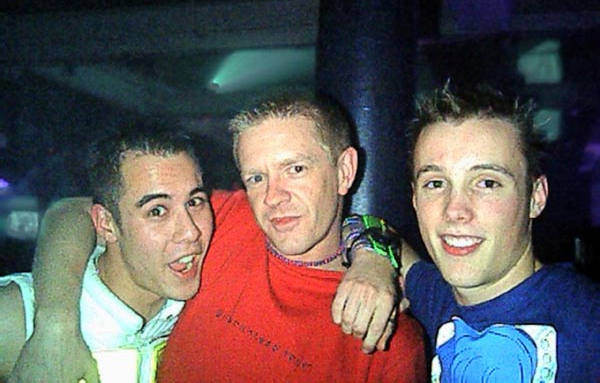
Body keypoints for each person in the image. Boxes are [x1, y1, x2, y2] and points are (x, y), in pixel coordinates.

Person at [5, 97, 426, 382]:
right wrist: (54, 324)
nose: (274, 197)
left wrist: (374, 256)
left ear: (344, 171)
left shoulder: (389, 339)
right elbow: (76, 211)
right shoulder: (222, 220)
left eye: (295, 169)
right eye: (256, 177)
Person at [344, 83, 600, 382]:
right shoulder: (435, 296)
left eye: (487, 183)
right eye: (435, 183)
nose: (455, 210)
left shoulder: (588, 319)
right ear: (414, 198)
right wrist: (372, 262)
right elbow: (367, 224)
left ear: (536, 197)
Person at [0, 128, 215, 382]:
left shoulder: (200, 299)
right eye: (157, 211)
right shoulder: (16, 319)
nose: (190, 232)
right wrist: (54, 324)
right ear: (106, 224)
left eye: (194, 202)